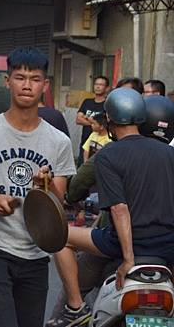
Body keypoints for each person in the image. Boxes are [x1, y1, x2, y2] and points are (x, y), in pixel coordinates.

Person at [0, 47, 75, 327]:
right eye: (20, 77)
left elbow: (60, 200)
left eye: (35, 78)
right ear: (8, 82)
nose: (27, 85)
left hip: (35, 251)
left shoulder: (59, 142)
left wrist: (46, 186)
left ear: (45, 85)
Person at [50, 88, 174, 327]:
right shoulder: (169, 154)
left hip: (122, 244)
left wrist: (128, 260)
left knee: (61, 237)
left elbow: (118, 208)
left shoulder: (109, 154)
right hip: (167, 246)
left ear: (108, 119)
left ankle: (75, 307)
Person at [76, 75, 109, 165]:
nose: (97, 87)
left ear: (106, 88)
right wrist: (94, 122)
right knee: (82, 168)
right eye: (96, 84)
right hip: (85, 141)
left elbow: (106, 122)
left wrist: (87, 118)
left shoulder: (107, 104)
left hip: (101, 143)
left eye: (101, 85)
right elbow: (78, 120)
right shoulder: (87, 102)